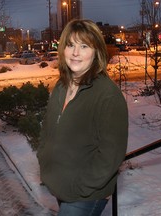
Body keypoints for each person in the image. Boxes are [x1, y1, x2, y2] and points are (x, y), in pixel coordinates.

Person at [37, 19, 128, 216]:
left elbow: (111, 154)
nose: (75, 53)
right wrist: (43, 157)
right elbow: (48, 129)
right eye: (70, 45)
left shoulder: (107, 95)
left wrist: (82, 187)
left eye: (84, 46)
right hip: (61, 186)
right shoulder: (61, 86)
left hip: (85, 194)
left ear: (96, 52)